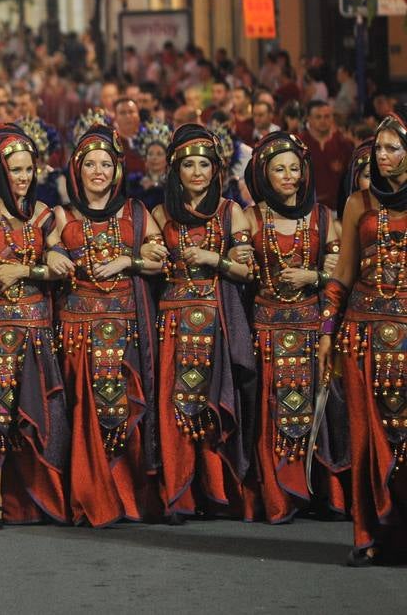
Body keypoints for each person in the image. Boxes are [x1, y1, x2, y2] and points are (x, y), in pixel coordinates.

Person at [51, 125, 166, 526]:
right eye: (90, 164)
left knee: (123, 413)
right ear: (76, 169)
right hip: (76, 332)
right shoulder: (60, 215)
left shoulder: (136, 212)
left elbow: (159, 260)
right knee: (83, 414)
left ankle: (125, 498)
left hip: (124, 329)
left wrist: (126, 262)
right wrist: (51, 258)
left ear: (118, 171)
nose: (98, 171)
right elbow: (45, 252)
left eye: (106, 164)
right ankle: (89, 496)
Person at [0, 123, 70, 530]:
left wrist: (23, 269)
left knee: (31, 411)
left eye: (27, 170)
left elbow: (61, 267)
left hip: (34, 327)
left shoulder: (44, 214)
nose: (22, 179)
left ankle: (33, 498)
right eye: (14, 171)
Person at [151, 125, 255, 524]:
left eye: (205, 164)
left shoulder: (232, 212)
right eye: (189, 165)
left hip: (216, 321)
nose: (197, 172)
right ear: (175, 170)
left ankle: (215, 492)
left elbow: (247, 270)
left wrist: (215, 260)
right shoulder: (161, 214)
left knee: (211, 408)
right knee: (174, 408)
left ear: (216, 169)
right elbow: (149, 259)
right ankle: (178, 494)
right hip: (172, 323)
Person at [240, 132, 345, 524]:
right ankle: (277, 494)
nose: (288, 176)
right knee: (269, 411)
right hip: (264, 328)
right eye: (279, 169)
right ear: (265, 174)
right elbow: (240, 267)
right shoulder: (251, 216)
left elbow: (338, 278)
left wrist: (313, 276)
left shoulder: (323, 217)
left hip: (310, 328)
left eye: (294, 169)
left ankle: (318, 492)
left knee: (313, 408)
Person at [327, 111, 407, 566]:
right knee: (367, 439)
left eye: (393, 148)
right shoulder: (359, 203)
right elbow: (342, 274)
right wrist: (325, 334)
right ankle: (370, 533)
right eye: (378, 149)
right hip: (363, 336)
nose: (383, 156)